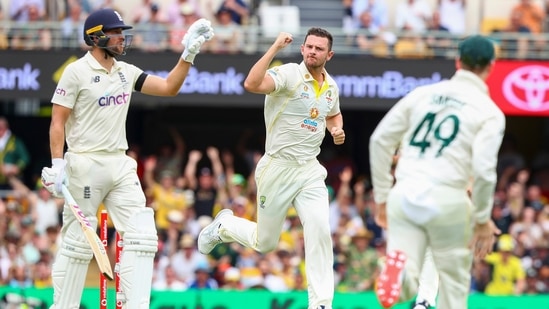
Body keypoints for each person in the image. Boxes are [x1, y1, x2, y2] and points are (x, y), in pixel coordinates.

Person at [39, 8, 213, 308]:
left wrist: (188, 53)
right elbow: (57, 120)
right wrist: (57, 163)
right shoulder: (76, 72)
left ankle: (134, 303)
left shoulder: (125, 71)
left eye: (122, 32)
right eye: (115, 32)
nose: (122, 37)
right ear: (96, 37)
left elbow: (169, 88)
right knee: (78, 243)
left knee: (143, 234)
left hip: (119, 163)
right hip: (84, 162)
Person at [197, 28, 346, 309]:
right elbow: (251, 84)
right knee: (265, 243)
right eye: (309, 47)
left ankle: (321, 303)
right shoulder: (289, 73)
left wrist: (336, 129)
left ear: (330, 54)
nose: (313, 51)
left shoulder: (331, 87)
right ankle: (224, 225)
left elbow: (333, 113)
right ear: (302, 49)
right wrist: (275, 47)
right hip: (277, 168)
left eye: (319, 48)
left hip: (310, 169)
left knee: (319, 229)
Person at [369, 35, 505, 309]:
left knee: (410, 271)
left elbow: (379, 141)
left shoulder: (422, 94)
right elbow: (484, 170)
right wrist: (481, 219)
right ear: (491, 66)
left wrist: (382, 197)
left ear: (458, 62)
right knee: (453, 288)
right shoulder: (490, 112)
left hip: (404, 193)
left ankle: (401, 276)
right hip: (447, 197)